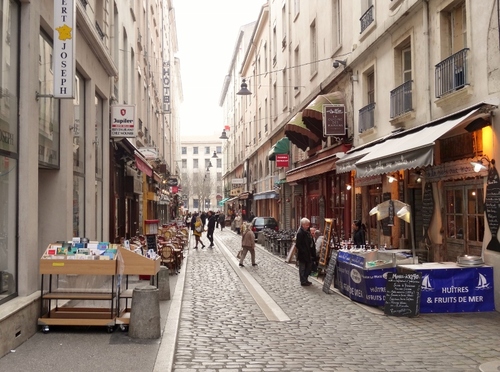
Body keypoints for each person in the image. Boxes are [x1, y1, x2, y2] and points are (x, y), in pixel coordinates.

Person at [296, 217, 315, 286]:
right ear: (303, 225)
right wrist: (303, 251)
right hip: (303, 254)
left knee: (308, 267)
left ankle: (306, 279)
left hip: (308, 253)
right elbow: (298, 244)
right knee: (302, 267)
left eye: (308, 225)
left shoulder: (307, 232)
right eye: (307, 225)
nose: (308, 226)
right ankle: (303, 281)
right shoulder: (300, 233)